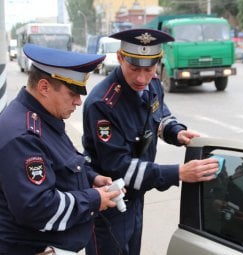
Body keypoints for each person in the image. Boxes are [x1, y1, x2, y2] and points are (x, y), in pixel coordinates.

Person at [82, 28, 219, 255]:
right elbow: (119, 167)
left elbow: (159, 116)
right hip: (110, 202)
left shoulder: (153, 84)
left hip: (136, 197)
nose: (141, 78)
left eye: (149, 69)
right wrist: (179, 173)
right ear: (120, 58)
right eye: (133, 68)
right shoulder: (103, 103)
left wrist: (176, 132)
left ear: (158, 63)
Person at [0, 44, 123, 254]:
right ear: (44, 87)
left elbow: (63, 163)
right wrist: (94, 199)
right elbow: (36, 208)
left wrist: (91, 176)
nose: (78, 101)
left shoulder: (44, 116)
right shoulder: (23, 134)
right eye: (72, 92)